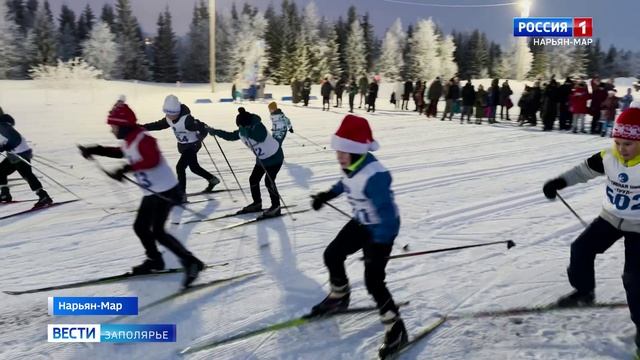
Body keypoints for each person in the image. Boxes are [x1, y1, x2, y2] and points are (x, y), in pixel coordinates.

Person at [542, 103, 640, 358]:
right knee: (581, 249)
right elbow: (583, 171)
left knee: (634, 279)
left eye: (628, 144)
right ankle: (584, 292)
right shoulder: (608, 157)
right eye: (618, 142)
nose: (621, 149)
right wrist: (559, 182)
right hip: (611, 217)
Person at [310, 114, 406, 358]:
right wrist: (326, 195)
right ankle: (340, 296)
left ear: (358, 150)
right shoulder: (351, 165)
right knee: (332, 254)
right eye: (338, 150)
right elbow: (344, 183)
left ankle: (396, 329)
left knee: (373, 281)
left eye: (344, 151)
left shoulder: (375, 176)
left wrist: (377, 245)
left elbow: (387, 216)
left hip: (382, 230)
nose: (339, 156)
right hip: (361, 223)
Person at [78, 102, 204, 287]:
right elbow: (122, 152)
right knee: (140, 227)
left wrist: (126, 169)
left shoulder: (144, 138)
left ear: (123, 125)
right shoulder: (131, 140)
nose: (112, 130)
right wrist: (95, 149)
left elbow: (151, 160)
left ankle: (192, 262)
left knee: (158, 232)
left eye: (113, 126)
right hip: (152, 192)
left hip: (166, 191)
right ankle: (155, 261)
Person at [208, 108, 283, 218]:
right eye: (239, 127)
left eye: (242, 126)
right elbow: (231, 136)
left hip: (275, 158)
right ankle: (257, 203)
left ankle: (276, 207)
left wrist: (245, 131)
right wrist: (216, 132)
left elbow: (260, 137)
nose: (240, 129)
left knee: (269, 181)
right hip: (262, 160)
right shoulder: (243, 129)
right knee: (253, 179)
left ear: (247, 124)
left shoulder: (258, 126)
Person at [142, 95, 219, 200]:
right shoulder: (168, 118)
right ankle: (212, 179)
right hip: (184, 146)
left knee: (180, 167)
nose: (170, 116)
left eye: (173, 114)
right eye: (167, 114)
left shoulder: (187, 120)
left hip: (192, 145)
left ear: (178, 112)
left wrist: (201, 134)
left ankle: (181, 195)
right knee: (194, 167)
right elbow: (157, 125)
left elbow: (202, 127)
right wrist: (141, 127)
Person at [0, 107, 53, 208]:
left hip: (20, 153)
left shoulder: (2, 125)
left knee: (27, 175)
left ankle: (44, 196)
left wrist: (6, 146)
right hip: (14, 154)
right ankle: (4, 194)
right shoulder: (3, 123)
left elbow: (15, 139)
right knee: (1, 171)